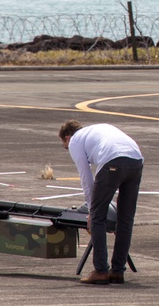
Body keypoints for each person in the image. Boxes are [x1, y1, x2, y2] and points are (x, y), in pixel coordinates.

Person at [59, 119, 143, 285]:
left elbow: (86, 178)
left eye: (65, 145)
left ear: (67, 137)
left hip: (113, 160)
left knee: (98, 218)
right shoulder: (99, 129)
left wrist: (91, 209)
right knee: (125, 219)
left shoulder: (75, 141)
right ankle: (118, 271)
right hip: (136, 160)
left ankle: (101, 270)